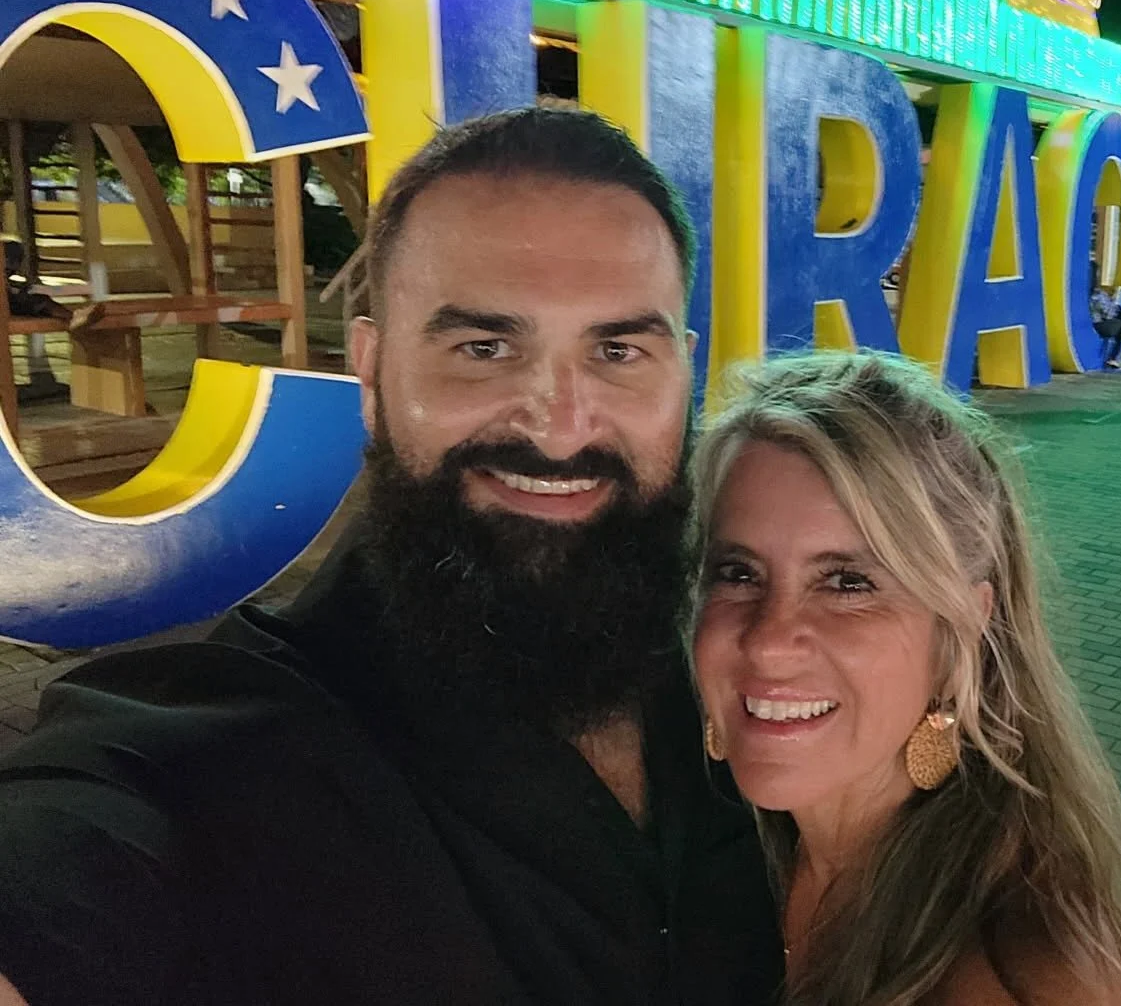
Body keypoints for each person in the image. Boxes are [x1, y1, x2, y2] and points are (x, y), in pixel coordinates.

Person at [0, 106, 784, 1006]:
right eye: (484, 348)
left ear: (683, 373)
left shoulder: (744, 660)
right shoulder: (221, 752)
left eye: (618, 350)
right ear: (371, 375)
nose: (562, 426)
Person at [691, 351, 1121, 1006]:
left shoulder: (1021, 976)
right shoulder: (723, 842)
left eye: (848, 583)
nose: (770, 642)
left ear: (958, 633)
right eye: (738, 572)